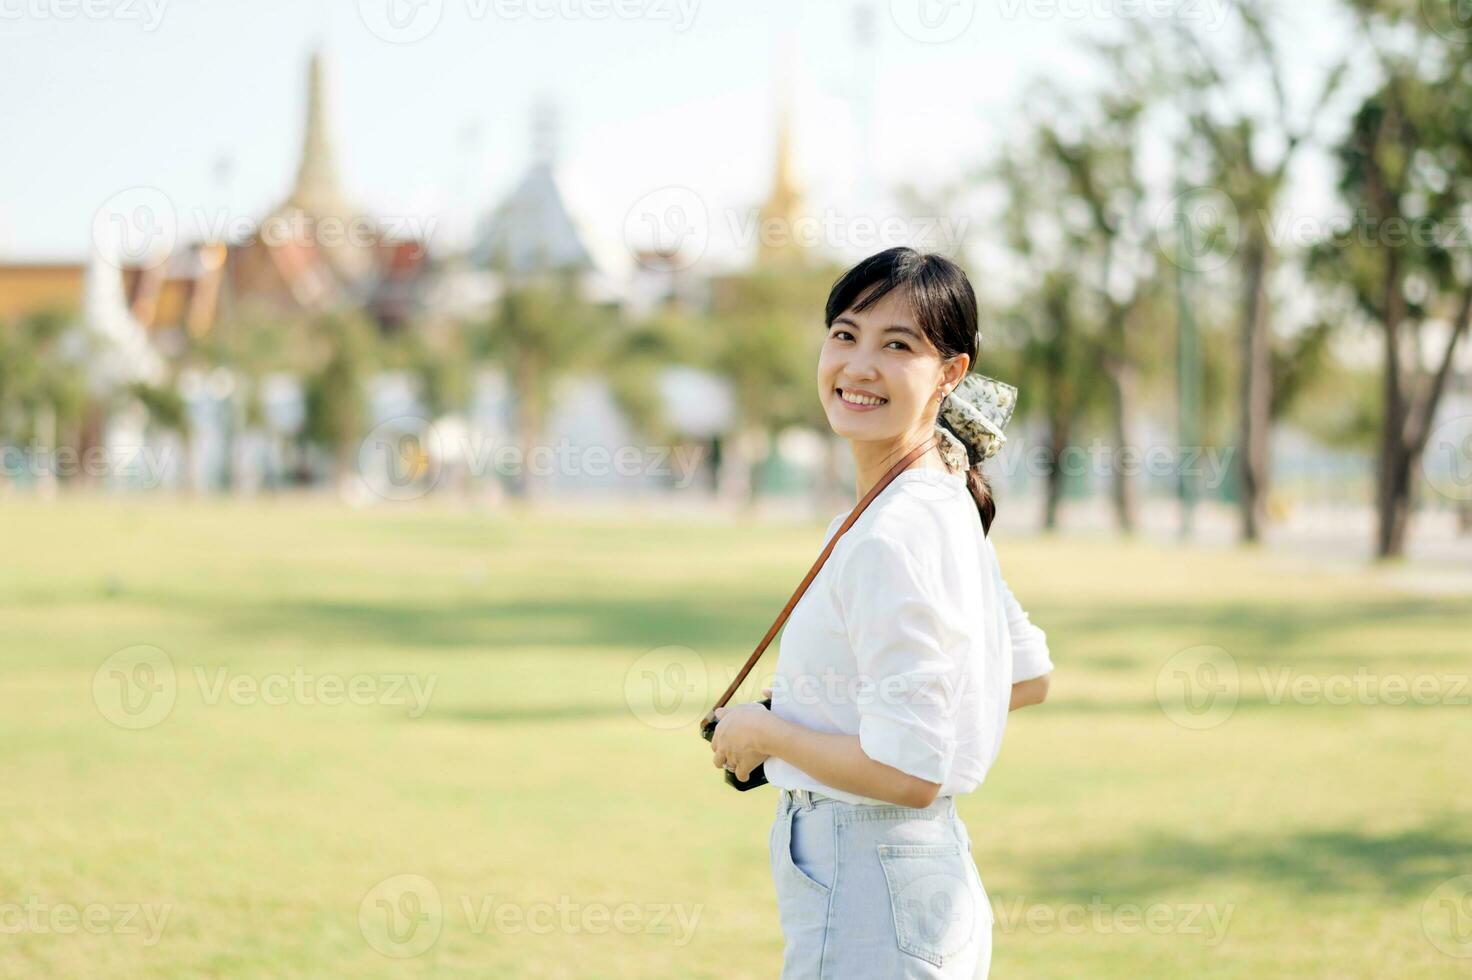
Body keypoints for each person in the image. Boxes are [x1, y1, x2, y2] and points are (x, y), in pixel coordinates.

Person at [708, 247, 1053, 978]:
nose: (858, 366)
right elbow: (1023, 676)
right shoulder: (939, 497)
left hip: (870, 883)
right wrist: (816, 709)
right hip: (920, 884)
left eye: (897, 345)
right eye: (845, 334)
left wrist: (767, 730)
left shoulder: (895, 531)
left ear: (951, 372)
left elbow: (910, 771)